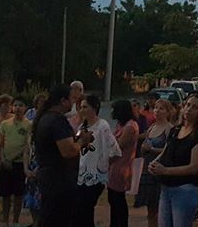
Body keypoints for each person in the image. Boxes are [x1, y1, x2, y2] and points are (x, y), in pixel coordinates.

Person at [34, 84, 95, 227]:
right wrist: (83, 141)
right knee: (57, 219)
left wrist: (77, 138)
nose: (73, 103)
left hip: (50, 177)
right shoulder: (57, 120)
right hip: (58, 180)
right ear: (63, 101)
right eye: (71, 99)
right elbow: (68, 151)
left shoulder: (45, 118)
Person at [148, 94, 198, 227]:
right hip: (166, 187)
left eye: (194, 107)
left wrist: (166, 170)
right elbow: (165, 151)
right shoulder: (175, 130)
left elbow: (194, 167)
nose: (189, 109)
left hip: (184, 189)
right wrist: (155, 163)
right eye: (188, 105)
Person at [73, 95, 121, 227]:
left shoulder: (102, 126)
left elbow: (115, 151)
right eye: (81, 107)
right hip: (81, 175)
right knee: (80, 212)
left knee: (85, 209)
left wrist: (102, 167)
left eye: (85, 107)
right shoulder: (82, 127)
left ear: (94, 108)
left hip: (95, 177)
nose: (82, 110)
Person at [135, 100, 174, 227]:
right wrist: (143, 149)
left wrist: (152, 149)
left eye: (161, 108)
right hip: (147, 171)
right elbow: (144, 144)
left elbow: (170, 151)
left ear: (168, 112)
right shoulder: (152, 127)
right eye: (156, 108)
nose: (157, 111)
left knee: (160, 210)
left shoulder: (169, 129)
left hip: (160, 173)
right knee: (150, 210)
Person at [0, 97, 32, 227]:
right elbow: (1, 143)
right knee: (5, 194)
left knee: (18, 194)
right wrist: (3, 158)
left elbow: (27, 145)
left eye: (21, 105)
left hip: (19, 163)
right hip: (6, 163)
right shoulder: (5, 124)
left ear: (25, 108)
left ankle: (15, 221)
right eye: (16, 105)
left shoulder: (29, 125)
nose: (18, 108)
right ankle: (5, 221)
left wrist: (15, 157)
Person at [108, 99, 139, 227]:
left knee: (117, 199)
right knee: (113, 199)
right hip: (114, 165)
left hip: (121, 166)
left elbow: (118, 146)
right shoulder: (121, 124)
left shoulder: (130, 127)